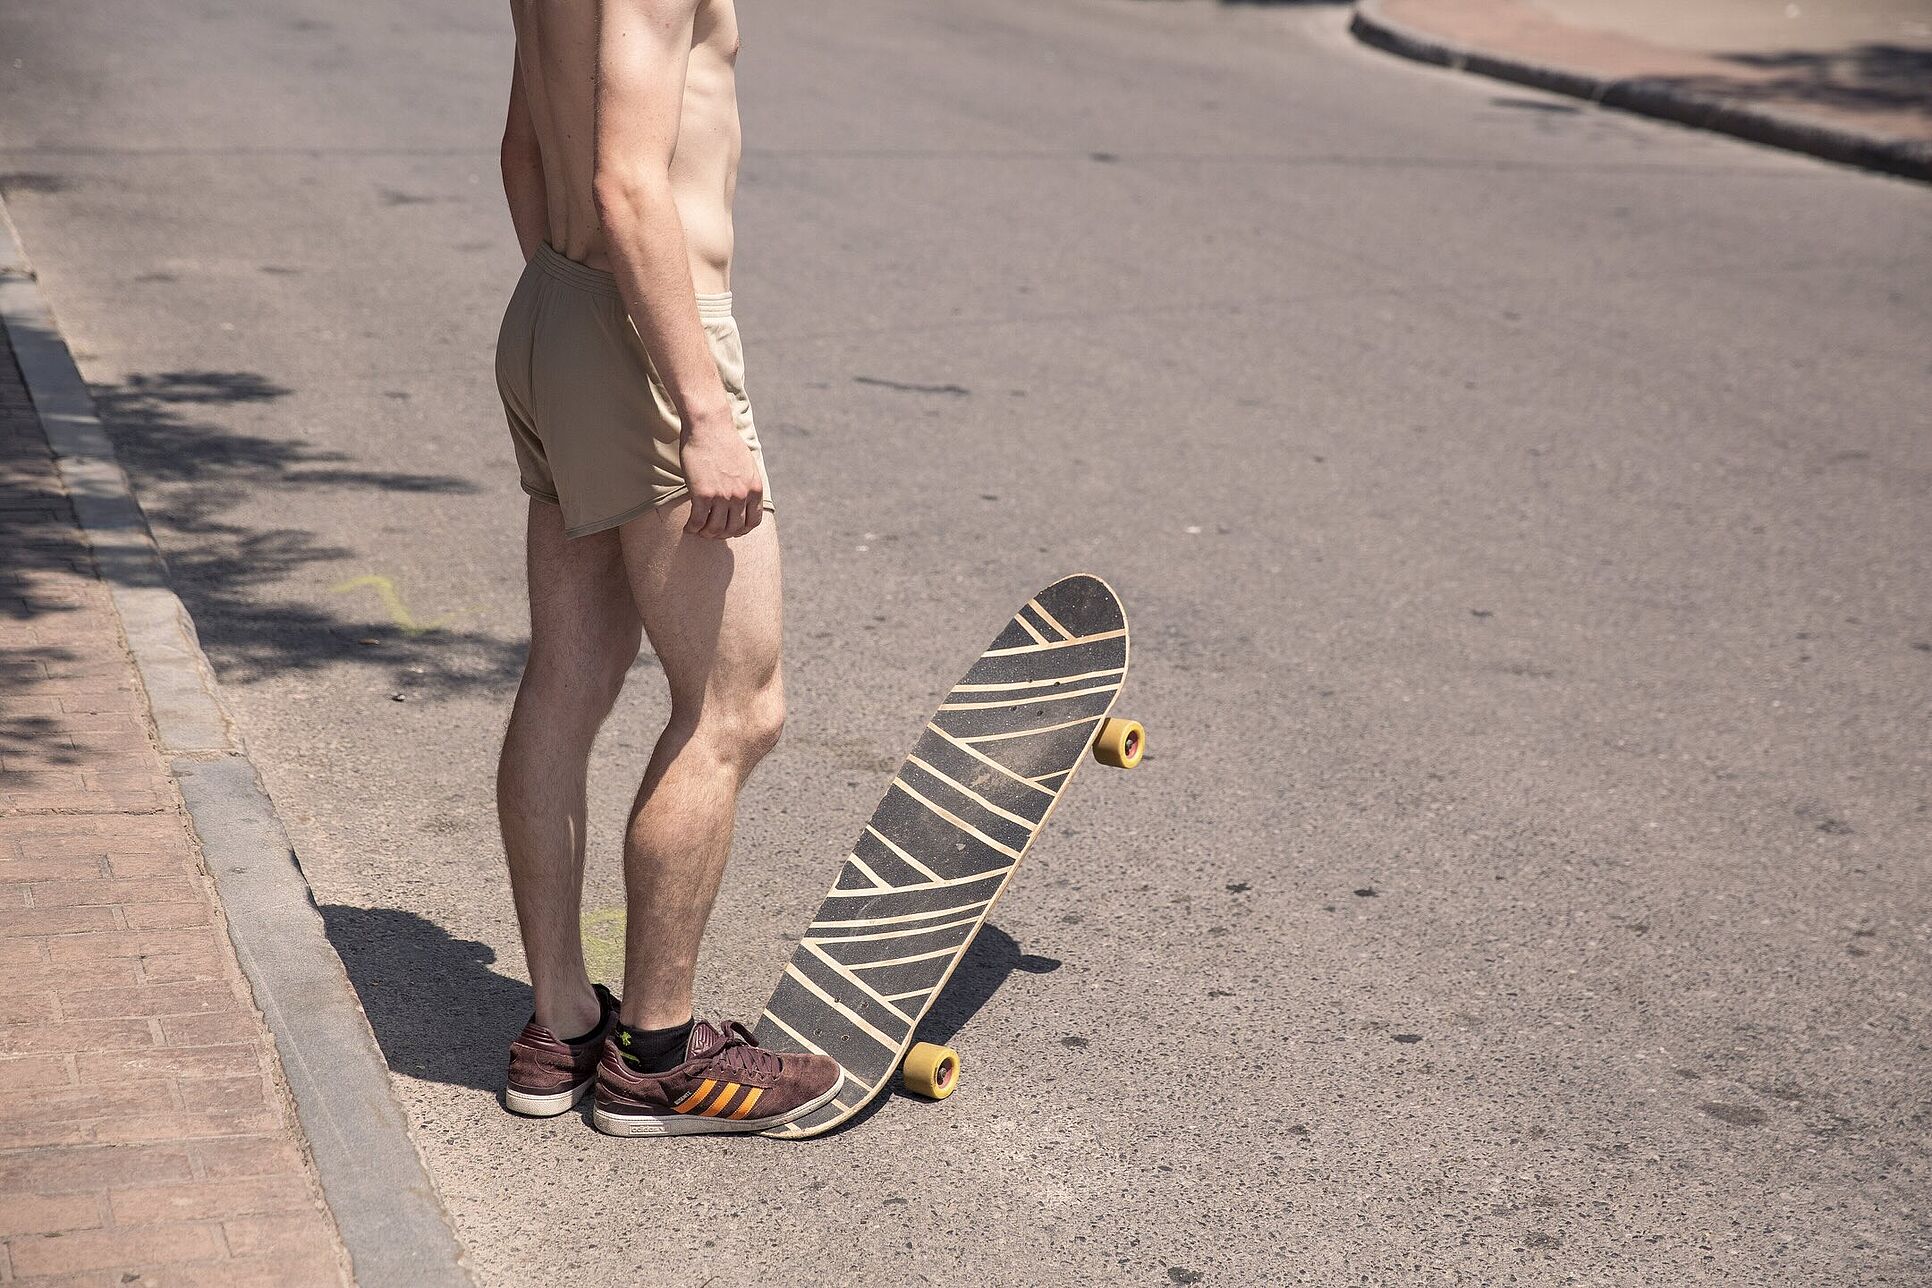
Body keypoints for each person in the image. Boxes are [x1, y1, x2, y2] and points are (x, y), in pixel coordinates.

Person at [491, 0, 839, 1136]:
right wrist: (700, 409)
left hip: (555, 304)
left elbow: (525, 147)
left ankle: (559, 1030)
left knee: (568, 675)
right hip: (650, 335)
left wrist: (569, 318)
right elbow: (628, 184)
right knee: (737, 706)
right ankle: (657, 1054)